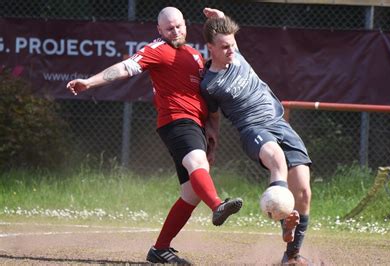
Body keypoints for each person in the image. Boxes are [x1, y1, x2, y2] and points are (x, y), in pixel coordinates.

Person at [66, 6, 243, 265]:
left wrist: (213, 137)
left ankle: (159, 249)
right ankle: (217, 205)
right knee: (196, 162)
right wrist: (89, 82)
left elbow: (218, 83)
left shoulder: (195, 56)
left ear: (185, 25)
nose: (175, 31)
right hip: (177, 120)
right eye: (169, 28)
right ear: (159, 30)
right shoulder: (156, 50)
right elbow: (125, 68)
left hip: (196, 124)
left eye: (178, 26)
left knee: (191, 194)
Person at [201, 8, 313, 265]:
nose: (230, 50)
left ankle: (291, 254)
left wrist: (220, 15)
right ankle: (279, 210)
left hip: (279, 123)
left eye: (232, 44)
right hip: (253, 129)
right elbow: (213, 118)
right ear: (210, 48)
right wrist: (212, 147)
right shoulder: (209, 84)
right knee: (276, 159)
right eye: (224, 47)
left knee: (304, 192)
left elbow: (228, 33)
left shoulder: (236, 54)